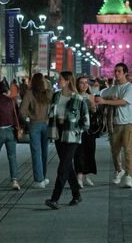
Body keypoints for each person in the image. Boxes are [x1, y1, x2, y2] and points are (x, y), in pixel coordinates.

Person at [45, 71, 89, 210]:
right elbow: (50, 113)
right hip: (58, 133)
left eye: (61, 79)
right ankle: (76, 195)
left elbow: (85, 120)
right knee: (67, 166)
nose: (59, 81)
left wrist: (78, 130)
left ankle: (54, 198)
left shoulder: (78, 98)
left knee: (63, 167)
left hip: (72, 135)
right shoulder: (56, 96)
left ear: (68, 81)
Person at [95, 63, 132, 188]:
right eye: (115, 71)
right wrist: (101, 97)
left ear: (125, 73)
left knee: (128, 149)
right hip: (115, 124)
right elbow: (99, 95)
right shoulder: (112, 88)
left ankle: (129, 176)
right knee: (115, 150)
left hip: (129, 123)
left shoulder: (131, 87)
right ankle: (119, 170)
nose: (116, 73)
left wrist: (106, 101)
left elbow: (124, 102)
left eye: (119, 71)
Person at [20, 73, 52, 188]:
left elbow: (22, 111)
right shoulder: (48, 93)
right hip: (46, 124)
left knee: (36, 153)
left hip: (34, 125)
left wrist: (28, 119)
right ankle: (43, 177)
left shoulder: (29, 93)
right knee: (44, 152)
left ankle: (39, 180)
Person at [0, 82, 21, 191]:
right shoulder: (12, 101)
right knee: (12, 156)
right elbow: (17, 115)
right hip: (11, 131)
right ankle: (14, 180)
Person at [74, 76, 98, 188]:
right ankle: (79, 176)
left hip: (89, 129)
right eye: (81, 83)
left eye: (86, 83)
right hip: (78, 128)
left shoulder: (91, 96)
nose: (84, 85)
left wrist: (92, 105)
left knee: (89, 150)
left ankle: (86, 175)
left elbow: (94, 111)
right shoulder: (75, 96)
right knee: (79, 152)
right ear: (77, 85)